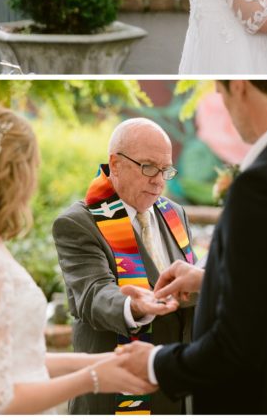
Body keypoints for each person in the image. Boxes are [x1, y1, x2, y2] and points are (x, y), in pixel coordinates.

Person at [112, 80, 267, 414]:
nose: (223, 105)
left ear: (240, 86)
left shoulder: (263, 184)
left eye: (221, 91)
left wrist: (154, 362)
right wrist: (212, 277)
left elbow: (237, 348)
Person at [0, 106, 154, 415]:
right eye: (32, 166)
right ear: (11, 175)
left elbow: (17, 361)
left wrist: (106, 361)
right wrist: (93, 379)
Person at [52, 118, 197, 414]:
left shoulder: (174, 213)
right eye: (148, 167)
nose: (158, 180)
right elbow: (93, 295)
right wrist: (135, 306)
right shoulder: (79, 222)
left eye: (165, 170)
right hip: (112, 398)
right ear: (115, 164)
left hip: (173, 393)